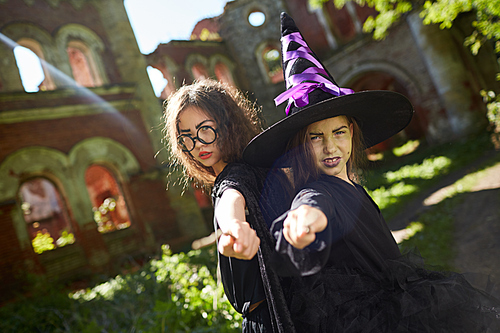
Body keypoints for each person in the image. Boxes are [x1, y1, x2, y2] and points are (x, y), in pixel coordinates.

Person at [243, 12, 500, 332]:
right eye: (315, 137)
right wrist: (302, 221)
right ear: (300, 145)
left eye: (338, 133)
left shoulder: (350, 183)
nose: (330, 147)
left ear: (352, 133)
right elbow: (312, 207)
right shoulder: (317, 191)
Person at [163, 79, 295, 332]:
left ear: (228, 124)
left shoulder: (234, 177)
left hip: (269, 319)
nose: (198, 143)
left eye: (205, 129)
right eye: (186, 137)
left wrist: (233, 227)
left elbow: (231, 197)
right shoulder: (256, 169)